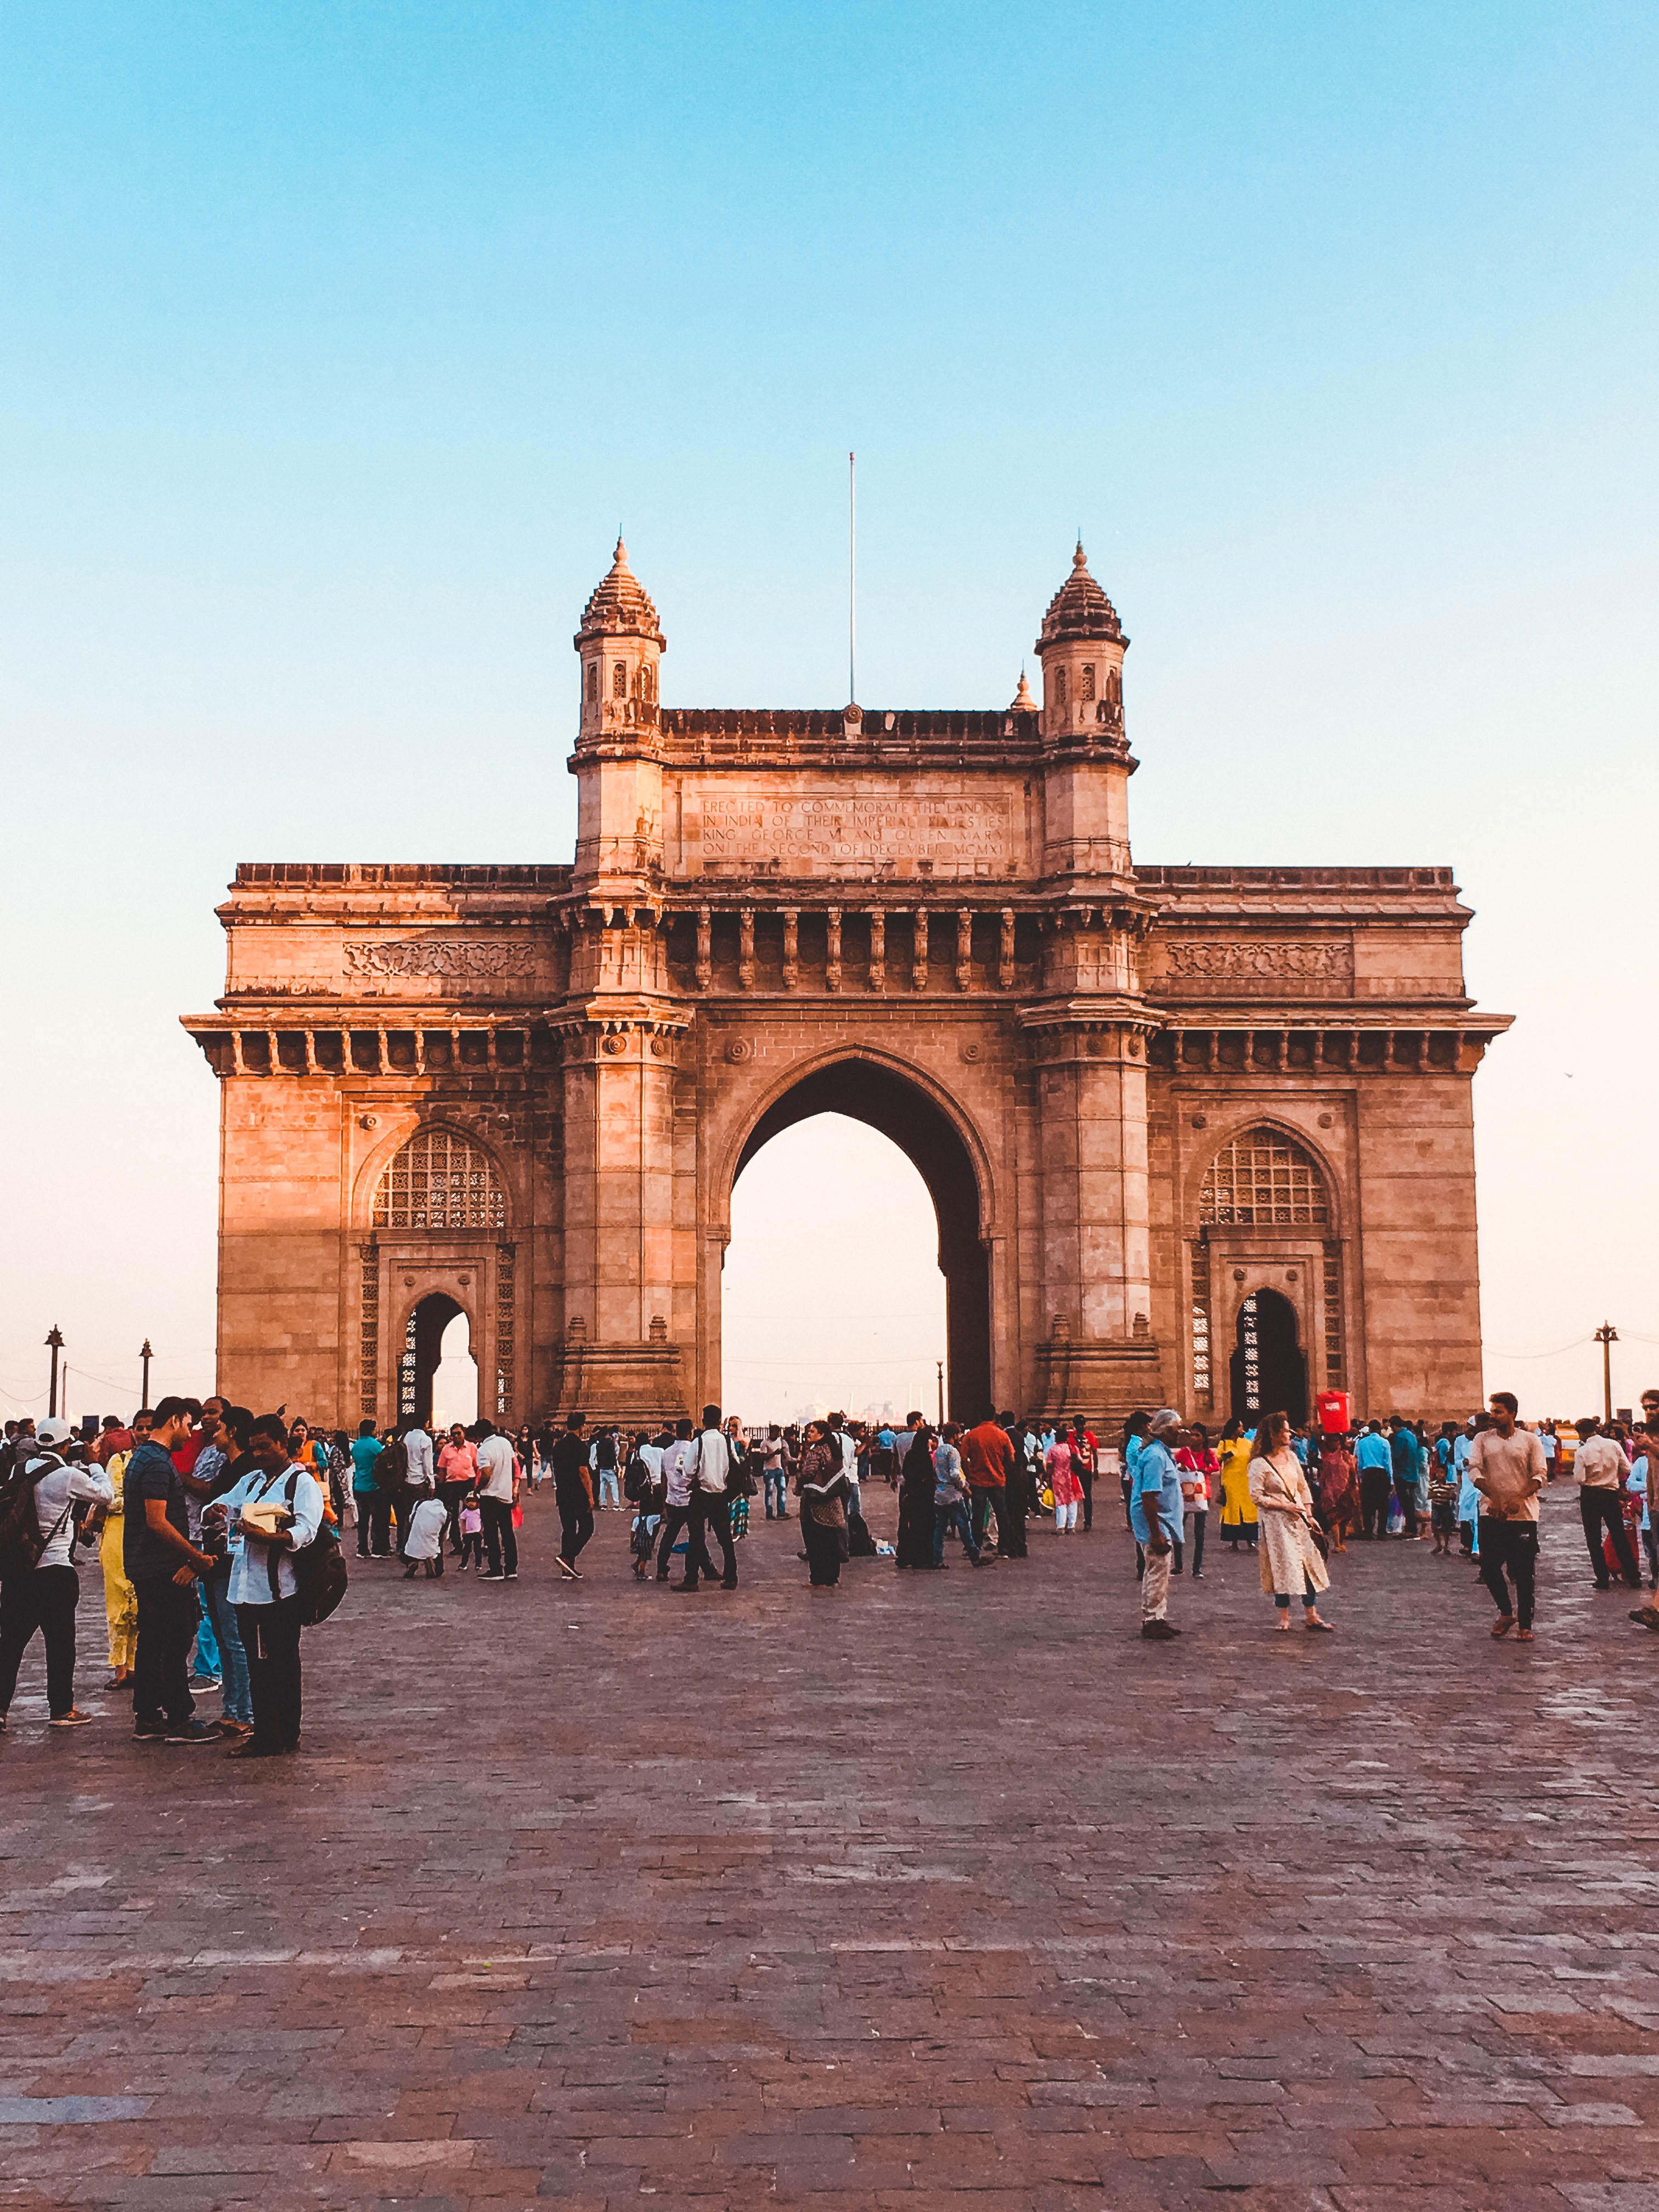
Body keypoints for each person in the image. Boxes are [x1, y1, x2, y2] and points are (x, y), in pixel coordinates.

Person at [209, 1411, 324, 1758]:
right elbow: (223, 1504)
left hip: (278, 1592)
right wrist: (214, 1512)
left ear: (282, 1444)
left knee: (280, 1664)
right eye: (253, 1448)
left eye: (264, 1447)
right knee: (261, 1665)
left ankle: (277, 1735)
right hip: (246, 1590)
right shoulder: (252, 1482)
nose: (258, 1454)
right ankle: (275, 1733)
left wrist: (272, 1537)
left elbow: (306, 1530)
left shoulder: (300, 1483)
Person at [0, 1416, 113, 1730]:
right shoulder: (68, 1475)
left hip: (18, 1570)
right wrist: (96, 1466)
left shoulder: (18, 1471)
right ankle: (62, 1709)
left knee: (9, 1644)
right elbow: (106, 1496)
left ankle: (0, 1710)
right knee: (60, 1644)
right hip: (55, 1571)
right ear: (66, 1445)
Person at [125, 1397, 222, 1745]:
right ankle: (180, 1718)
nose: (191, 1432)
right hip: (162, 1568)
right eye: (189, 1424)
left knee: (151, 1641)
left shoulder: (145, 1458)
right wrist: (194, 1557)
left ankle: (148, 1717)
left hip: (145, 1565)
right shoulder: (156, 1465)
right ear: (176, 1420)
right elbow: (156, 1521)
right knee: (175, 1641)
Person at [1470, 1391, 1547, 1641]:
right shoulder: (1482, 1439)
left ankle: (1526, 1624)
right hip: (1490, 1510)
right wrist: (1494, 1497)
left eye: (1499, 1412)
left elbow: (1539, 1475)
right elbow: (1475, 1470)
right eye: (1492, 1411)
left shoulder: (1529, 1441)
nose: (1493, 1416)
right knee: (1490, 1566)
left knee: (1524, 1571)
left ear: (1512, 1413)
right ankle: (1506, 1612)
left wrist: (1517, 1498)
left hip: (1523, 1514)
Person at [1248, 1412, 1333, 1632]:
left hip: (1300, 1520)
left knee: (1308, 1566)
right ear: (1273, 1434)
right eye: (1285, 1430)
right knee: (1282, 1566)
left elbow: (1303, 1487)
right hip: (1276, 1524)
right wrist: (1285, 1506)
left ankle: (1311, 1614)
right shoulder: (1258, 1464)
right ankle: (1284, 1616)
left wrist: (1310, 1514)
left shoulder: (1292, 1458)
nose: (1289, 1434)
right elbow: (1257, 1496)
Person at [100, 1412, 145, 1685]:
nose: (145, 1433)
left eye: (150, 1428)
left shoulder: (164, 1462)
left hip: (146, 1536)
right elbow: (112, 1500)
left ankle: (137, 1666)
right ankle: (120, 1668)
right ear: (132, 1430)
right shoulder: (119, 1461)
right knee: (119, 1603)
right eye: (140, 1428)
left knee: (142, 1605)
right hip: (118, 1535)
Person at [1131, 1410, 1184, 1640]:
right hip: (1157, 1522)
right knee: (1158, 1570)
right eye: (1177, 1428)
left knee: (1156, 1571)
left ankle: (1156, 1617)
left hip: (1161, 1521)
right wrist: (1156, 1533)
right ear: (1166, 1430)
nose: (1180, 1433)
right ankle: (1153, 1619)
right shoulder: (1156, 1456)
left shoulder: (1160, 1453)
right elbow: (1149, 1496)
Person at [1573, 1417, 1640, 1590]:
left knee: (1593, 1538)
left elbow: (1579, 1478)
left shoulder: (1582, 1451)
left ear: (1580, 1433)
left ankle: (1602, 1578)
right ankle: (1633, 1576)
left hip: (1590, 1494)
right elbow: (1627, 1467)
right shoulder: (1614, 1445)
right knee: (1619, 1535)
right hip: (1611, 1493)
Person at [677, 1406, 737, 1592]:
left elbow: (688, 1470)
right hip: (720, 1495)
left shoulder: (699, 1441)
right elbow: (735, 1464)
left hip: (702, 1494)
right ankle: (731, 1577)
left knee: (696, 1537)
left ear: (703, 1420)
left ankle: (691, 1579)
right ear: (720, 1421)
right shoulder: (727, 1441)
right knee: (725, 1539)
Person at [797, 1419, 849, 1589]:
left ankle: (818, 1579)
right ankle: (832, 1578)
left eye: (812, 1432)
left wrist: (800, 1481)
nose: (808, 1434)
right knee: (831, 1541)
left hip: (816, 1503)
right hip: (833, 1501)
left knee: (816, 1543)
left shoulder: (816, 1452)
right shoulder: (835, 1450)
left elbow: (809, 1472)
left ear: (821, 1434)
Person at [960, 1411, 1013, 1561]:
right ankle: (1004, 1548)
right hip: (998, 1481)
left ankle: (975, 1548)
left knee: (977, 1516)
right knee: (1002, 1515)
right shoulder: (1002, 1435)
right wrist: (1003, 1472)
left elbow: (964, 1459)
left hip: (978, 1481)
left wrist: (969, 1476)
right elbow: (1011, 1457)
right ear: (995, 1418)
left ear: (980, 1417)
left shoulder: (972, 1435)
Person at [473, 1419, 520, 1582]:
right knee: (508, 1532)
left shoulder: (484, 1449)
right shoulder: (505, 1443)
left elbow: (486, 1474)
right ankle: (511, 1568)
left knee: (491, 1534)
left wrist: (477, 1490)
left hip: (490, 1496)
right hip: (505, 1494)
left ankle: (496, 1569)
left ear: (479, 1434)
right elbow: (515, 1465)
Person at [932, 1423, 983, 1565]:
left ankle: (937, 1559)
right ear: (955, 1435)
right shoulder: (953, 1452)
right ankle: (974, 1555)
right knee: (964, 1525)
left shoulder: (939, 1451)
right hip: (953, 1494)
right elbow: (955, 1473)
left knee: (940, 1528)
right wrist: (964, 1487)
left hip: (940, 1493)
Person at [550, 1415, 594, 1581]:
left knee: (568, 1530)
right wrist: (590, 1496)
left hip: (562, 1493)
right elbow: (583, 1472)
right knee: (587, 1528)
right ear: (582, 1427)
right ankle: (567, 1557)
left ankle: (567, 1569)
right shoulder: (581, 1447)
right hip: (578, 1494)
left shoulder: (558, 1446)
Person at [1175, 1424, 1217, 1577]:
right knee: (1179, 1529)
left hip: (1202, 1495)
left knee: (1200, 1533)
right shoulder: (1184, 1452)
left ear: (1203, 1438)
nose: (1193, 1438)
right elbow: (1174, 1464)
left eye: (1197, 1435)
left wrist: (1206, 1470)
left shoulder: (1208, 1453)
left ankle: (1197, 1567)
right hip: (1186, 1493)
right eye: (1192, 1434)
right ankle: (1178, 1565)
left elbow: (1216, 1466)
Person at [894, 1424, 938, 1567]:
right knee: (925, 1527)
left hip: (912, 1493)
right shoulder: (924, 1457)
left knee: (911, 1527)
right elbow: (927, 1475)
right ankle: (922, 1559)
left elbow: (906, 1472)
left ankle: (907, 1556)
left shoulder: (910, 1455)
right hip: (924, 1496)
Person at [1216, 1418, 1257, 1549]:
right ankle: (1234, 1542)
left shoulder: (1247, 1443)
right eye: (1240, 1426)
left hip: (1245, 1481)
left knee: (1248, 1509)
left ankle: (1250, 1540)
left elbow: (1254, 1457)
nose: (1242, 1429)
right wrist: (1225, 1457)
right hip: (1230, 1482)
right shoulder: (1224, 1443)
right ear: (1235, 1428)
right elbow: (1218, 1458)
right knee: (1233, 1510)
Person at [1317, 1430, 1359, 1553]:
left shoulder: (1346, 1456)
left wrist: (1355, 1487)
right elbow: (1319, 1440)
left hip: (1346, 1490)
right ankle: (1336, 1544)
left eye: (1335, 1440)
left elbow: (1353, 1472)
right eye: (1330, 1441)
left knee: (1345, 1518)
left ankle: (1342, 1543)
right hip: (1330, 1491)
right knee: (1333, 1518)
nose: (1333, 1443)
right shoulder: (1326, 1455)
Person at [437, 1423, 477, 1554]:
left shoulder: (472, 1448)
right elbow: (442, 1469)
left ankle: (469, 1543)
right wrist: (440, 1486)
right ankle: (457, 1544)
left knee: (470, 1515)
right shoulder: (446, 1450)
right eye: (453, 1434)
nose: (456, 1436)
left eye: (458, 1433)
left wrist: (477, 1486)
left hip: (468, 1483)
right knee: (453, 1516)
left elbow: (478, 1467)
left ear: (464, 1433)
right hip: (452, 1485)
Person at [348, 1420, 384, 1558]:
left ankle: (362, 1548)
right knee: (376, 1519)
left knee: (363, 1519)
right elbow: (383, 1458)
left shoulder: (356, 1445)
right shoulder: (374, 1444)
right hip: (373, 1485)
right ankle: (376, 1548)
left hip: (359, 1485)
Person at [1354, 1422, 1394, 1539]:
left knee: (1367, 1505)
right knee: (1383, 1505)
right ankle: (1381, 1532)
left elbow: (1360, 1462)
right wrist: (1391, 1480)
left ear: (1370, 1430)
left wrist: (1360, 1476)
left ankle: (1368, 1531)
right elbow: (1388, 1462)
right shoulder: (1385, 1442)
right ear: (1380, 1430)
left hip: (1368, 1473)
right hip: (1381, 1474)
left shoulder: (1362, 1443)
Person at [402, 1486, 448, 1579]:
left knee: (408, 1546)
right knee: (438, 1542)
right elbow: (445, 1535)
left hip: (413, 1545)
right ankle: (431, 1562)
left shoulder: (420, 1504)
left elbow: (411, 1519)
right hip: (433, 1544)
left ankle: (412, 1562)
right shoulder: (445, 1513)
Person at [1389, 1418, 1422, 1539]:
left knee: (1406, 1503)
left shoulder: (1400, 1437)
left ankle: (1411, 1529)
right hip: (1413, 1474)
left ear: (1394, 1425)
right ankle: (1411, 1528)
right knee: (1410, 1503)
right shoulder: (1411, 1435)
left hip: (1403, 1474)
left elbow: (1397, 1455)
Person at [1046, 1427, 1082, 1535]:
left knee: (1061, 1502)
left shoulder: (1053, 1450)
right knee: (1072, 1501)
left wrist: (1048, 1477)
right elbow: (1080, 1461)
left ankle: (1061, 1526)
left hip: (1058, 1478)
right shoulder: (1073, 1448)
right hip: (1072, 1477)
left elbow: (1050, 1465)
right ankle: (1071, 1526)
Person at [1066, 1414, 1098, 1533]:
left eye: (1083, 1424)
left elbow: (1094, 1453)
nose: (1081, 1427)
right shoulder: (1070, 1437)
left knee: (1087, 1497)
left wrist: (1096, 1469)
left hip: (1087, 1469)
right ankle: (1070, 1522)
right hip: (1074, 1470)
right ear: (1075, 1425)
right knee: (1071, 1496)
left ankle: (1088, 1522)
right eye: (1079, 1425)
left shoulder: (1090, 1436)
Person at [760, 1425, 792, 1520]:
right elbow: (763, 1457)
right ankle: (769, 1513)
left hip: (779, 1469)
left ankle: (781, 1511)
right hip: (769, 1470)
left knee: (782, 1490)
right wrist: (774, 1453)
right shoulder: (765, 1443)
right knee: (769, 1492)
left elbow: (785, 1456)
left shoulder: (780, 1441)